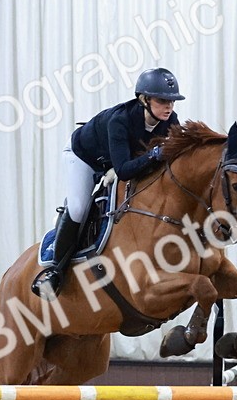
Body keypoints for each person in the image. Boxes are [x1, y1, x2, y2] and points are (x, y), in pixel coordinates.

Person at [31, 67, 184, 299]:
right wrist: (154, 154)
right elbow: (124, 171)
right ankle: (55, 271)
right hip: (84, 157)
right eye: (162, 100)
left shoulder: (171, 121)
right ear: (144, 99)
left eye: (172, 101)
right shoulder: (120, 120)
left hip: (116, 159)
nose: (169, 106)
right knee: (79, 207)